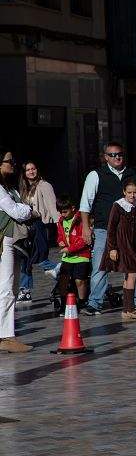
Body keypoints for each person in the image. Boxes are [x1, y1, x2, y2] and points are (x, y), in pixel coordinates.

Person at [79, 142, 136, 316]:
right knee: (100, 266)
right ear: (106, 157)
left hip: (132, 230)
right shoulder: (96, 175)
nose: (117, 157)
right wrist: (86, 228)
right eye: (112, 155)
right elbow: (85, 204)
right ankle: (95, 303)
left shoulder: (134, 173)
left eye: (119, 154)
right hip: (105, 228)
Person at [100, 177, 136, 321]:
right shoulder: (118, 205)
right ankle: (130, 308)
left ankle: (127, 309)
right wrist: (112, 248)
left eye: (135, 192)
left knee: (129, 275)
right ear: (124, 192)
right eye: (129, 192)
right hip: (122, 244)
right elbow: (111, 228)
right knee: (133, 273)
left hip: (133, 243)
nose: (132, 195)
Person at [0, 149, 36, 352]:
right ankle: (6, 336)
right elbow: (16, 210)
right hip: (4, 240)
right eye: (10, 161)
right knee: (6, 287)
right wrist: (30, 210)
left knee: (12, 288)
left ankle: (6, 334)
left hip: (12, 240)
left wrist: (24, 208)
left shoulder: (8, 186)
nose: (13, 164)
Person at [16, 161, 58, 304]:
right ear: (24, 173)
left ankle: (65, 276)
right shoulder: (23, 188)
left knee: (40, 258)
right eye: (28, 170)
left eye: (33, 168)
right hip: (27, 227)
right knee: (24, 258)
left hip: (40, 225)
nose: (31, 171)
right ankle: (24, 290)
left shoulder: (44, 185)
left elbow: (52, 207)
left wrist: (60, 225)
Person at [55, 196, 91, 304]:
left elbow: (83, 240)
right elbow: (60, 235)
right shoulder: (61, 221)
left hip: (81, 255)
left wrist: (69, 249)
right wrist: (60, 241)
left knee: (80, 280)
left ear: (73, 208)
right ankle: (63, 303)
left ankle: (82, 301)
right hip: (67, 257)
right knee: (63, 279)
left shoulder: (80, 220)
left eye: (65, 211)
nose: (62, 214)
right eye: (60, 212)